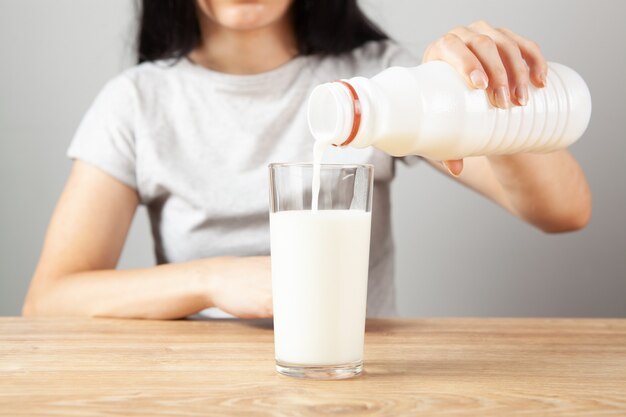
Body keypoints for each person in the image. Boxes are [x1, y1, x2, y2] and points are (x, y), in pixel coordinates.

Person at [23, 0, 591, 319]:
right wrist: (213, 281)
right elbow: (49, 302)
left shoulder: (381, 80)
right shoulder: (138, 103)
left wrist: (488, 101)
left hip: (354, 384)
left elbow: (565, 210)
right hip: (194, 387)